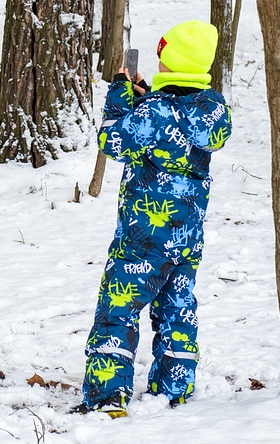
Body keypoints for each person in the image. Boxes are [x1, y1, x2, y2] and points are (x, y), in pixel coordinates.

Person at [79, 20, 232, 414]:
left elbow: (113, 141)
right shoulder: (213, 109)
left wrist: (120, 93)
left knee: (118, 307)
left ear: (174, 64)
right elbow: (176, 122)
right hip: (187, 237)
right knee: (177, 306)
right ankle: (174, 386)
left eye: (164, 61)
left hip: (144, 235)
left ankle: (106, 397)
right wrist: (147, 98)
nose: (160, 67)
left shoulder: (156, 112)